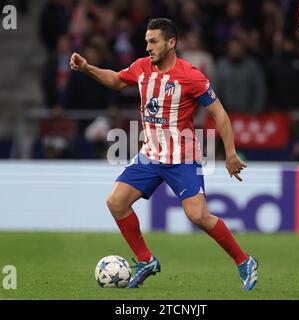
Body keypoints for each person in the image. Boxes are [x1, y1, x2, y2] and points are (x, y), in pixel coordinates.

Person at [70, 18, 258, 290]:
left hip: (183, 157)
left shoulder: (191, 76)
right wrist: (87, 68)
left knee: (198, 217)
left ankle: (244, 261)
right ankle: (146, 261)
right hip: (150, 155)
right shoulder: (141, 68)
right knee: (116, 203)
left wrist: (230, 154)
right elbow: (116, 80)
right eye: (147, 41)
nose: (148, 47)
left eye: (153, 41)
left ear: (171, 43)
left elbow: (220, 115)